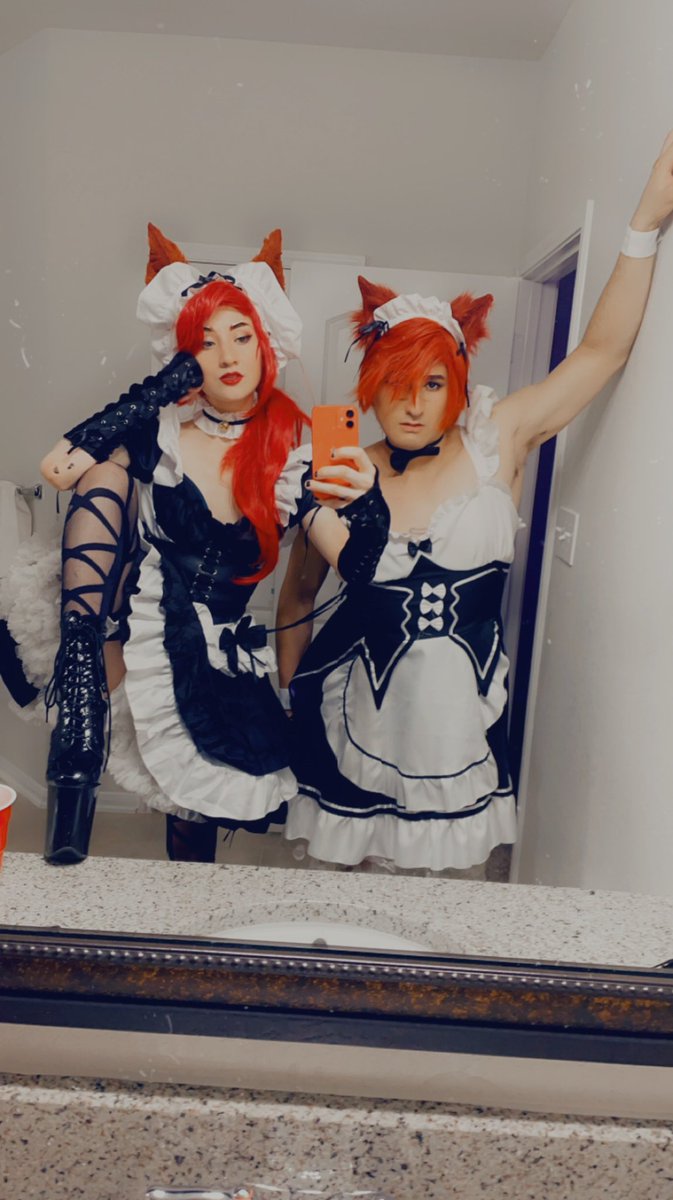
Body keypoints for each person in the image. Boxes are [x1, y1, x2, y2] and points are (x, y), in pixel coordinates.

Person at [276, 131, 673, 874]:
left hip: (457, 735)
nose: (413, 403)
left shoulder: (501, 438)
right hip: (353, 721)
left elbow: (601, 353)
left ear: (456, 385)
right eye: (396, 383)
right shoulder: (338, 467)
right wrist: (290, 697)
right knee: (341, 895)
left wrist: (644, 221)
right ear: (371, 388)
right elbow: (298, 595)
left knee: (437, 908)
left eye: (432, 383)